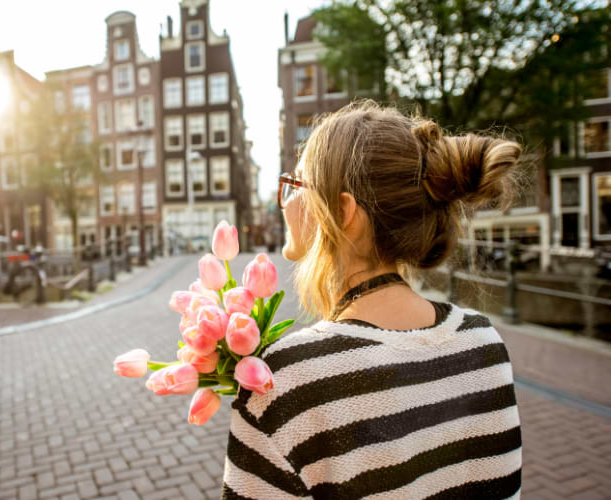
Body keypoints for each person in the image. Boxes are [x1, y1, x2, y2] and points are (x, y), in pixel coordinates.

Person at [221, 101, 522, 499]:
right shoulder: (485, 343)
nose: (287, 203)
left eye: (298, 186)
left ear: (343, 210)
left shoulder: (284, 382)